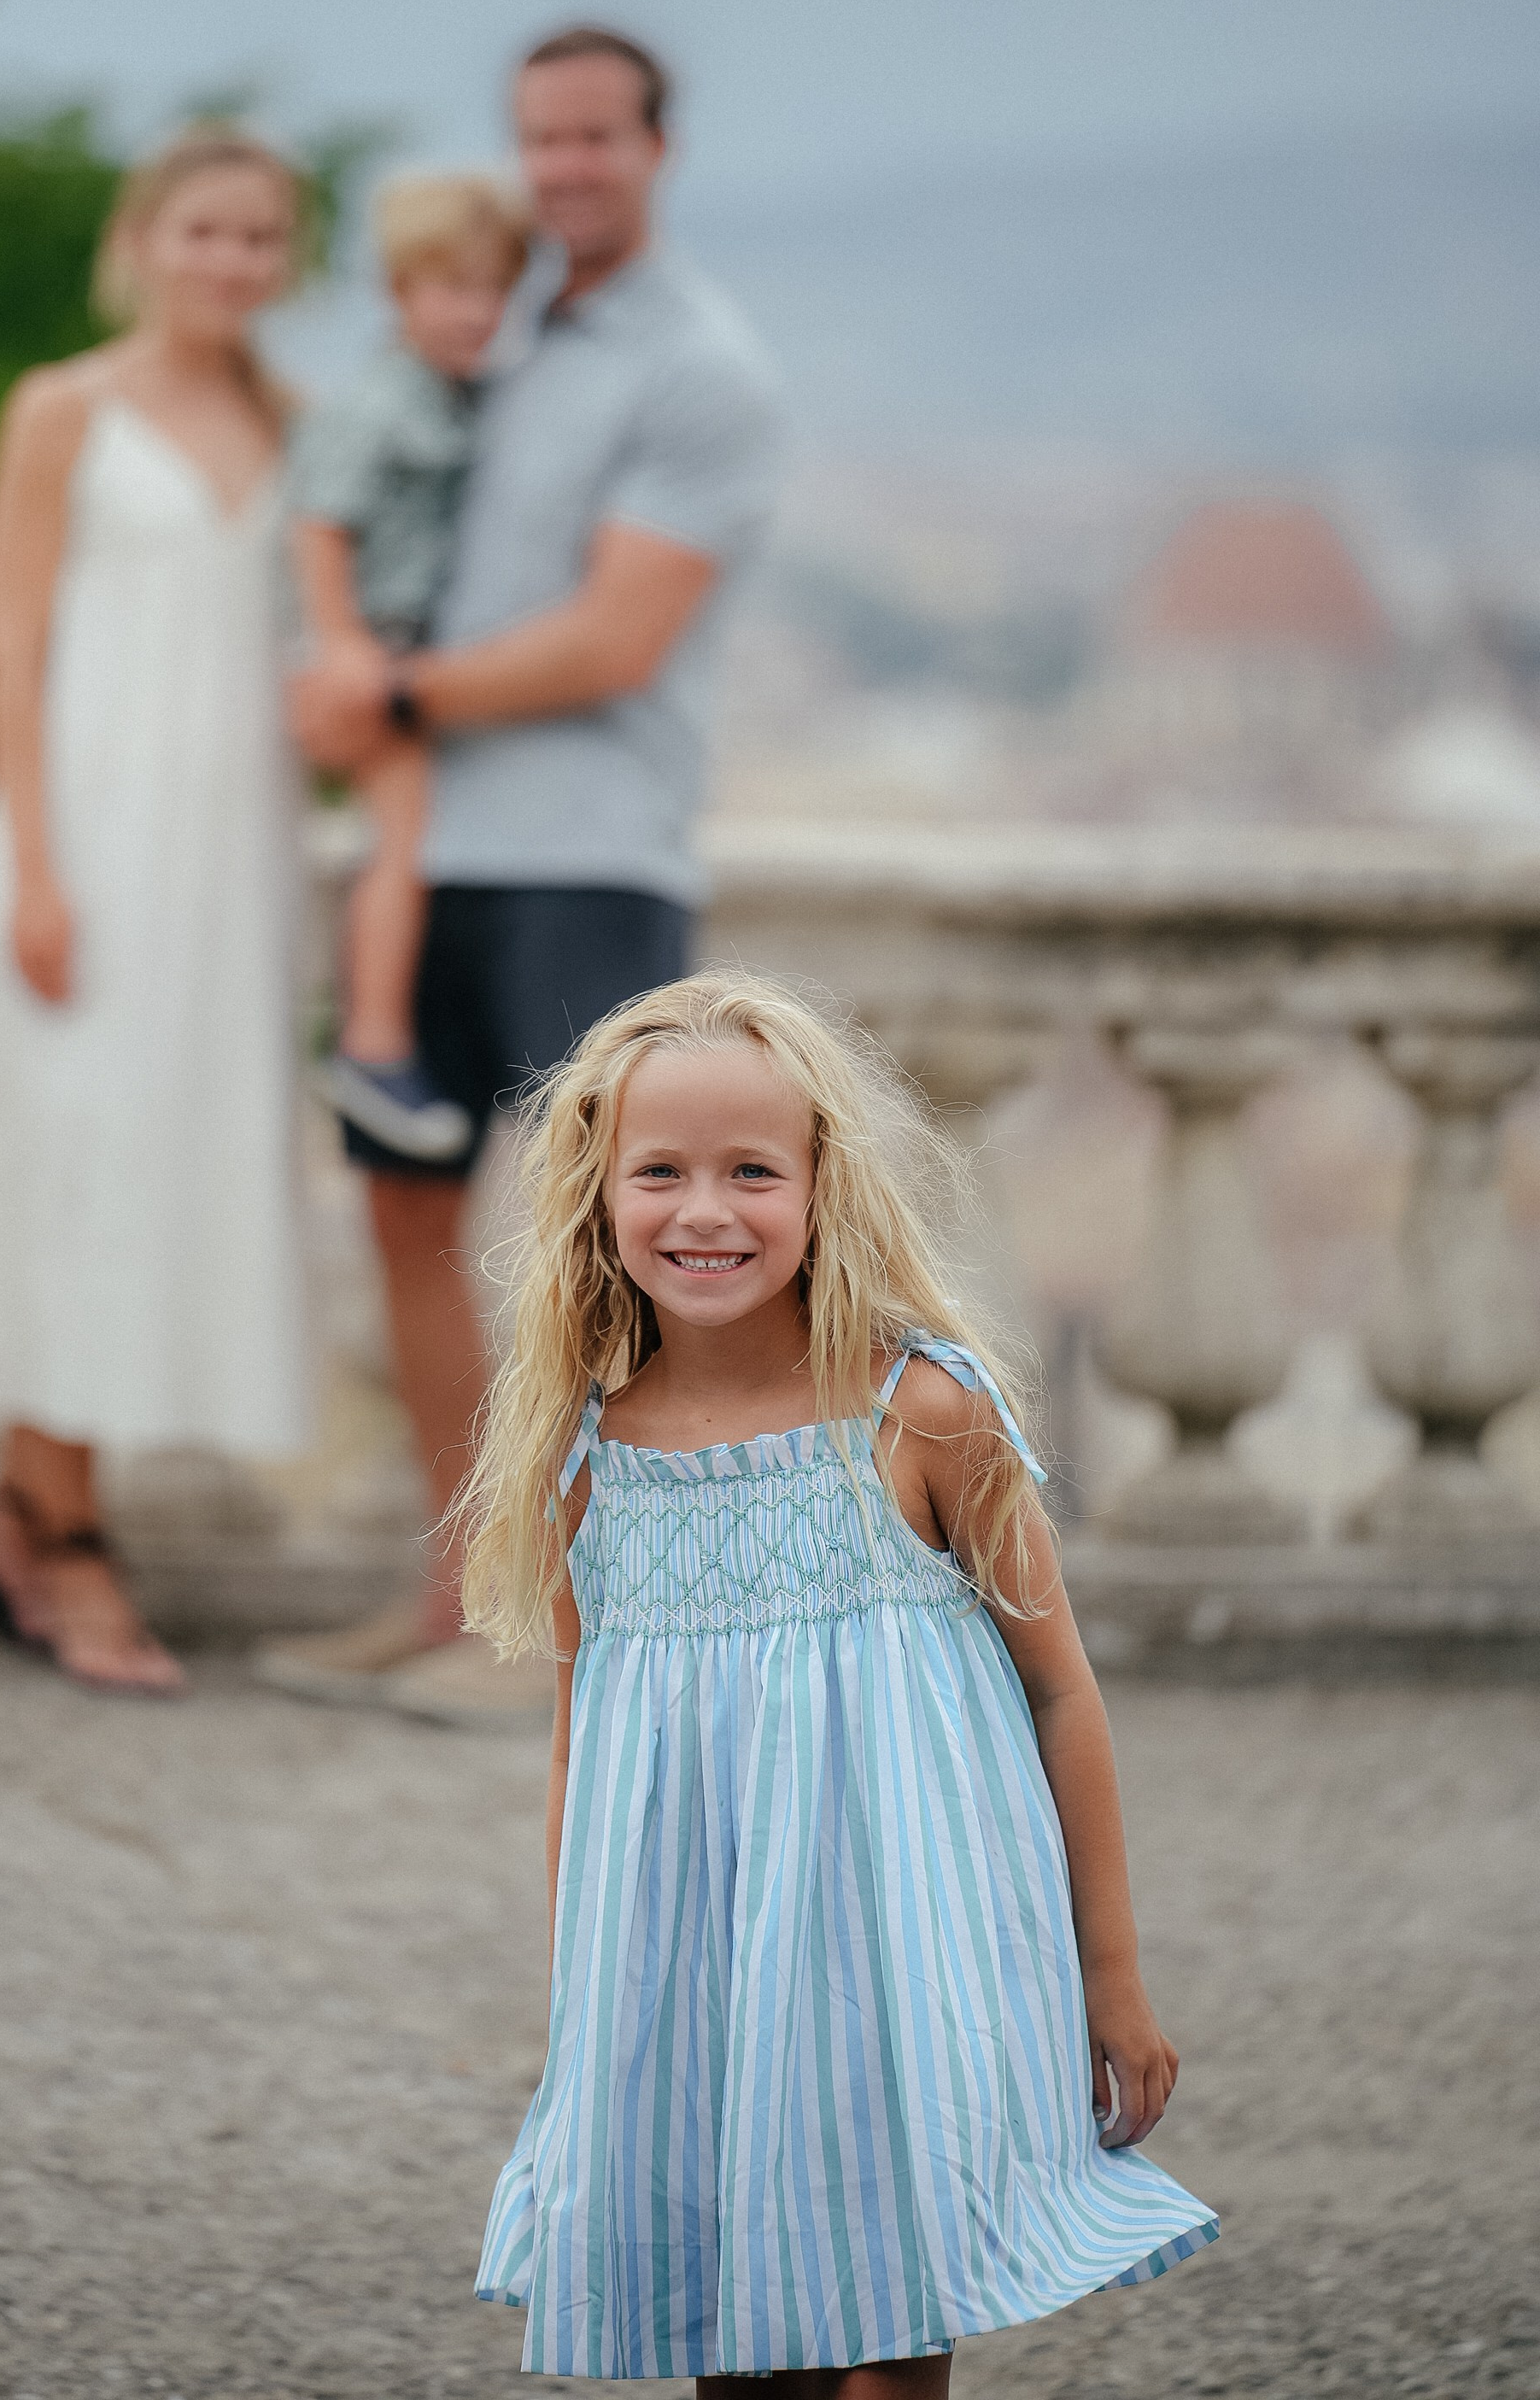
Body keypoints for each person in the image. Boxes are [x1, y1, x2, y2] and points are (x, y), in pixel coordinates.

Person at [461, 973, 1219, 2391]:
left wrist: (1105, 1977)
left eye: (752, 1169)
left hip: (897, 1964)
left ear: (823, 1184)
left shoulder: (921, 1414)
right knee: (723, 2322)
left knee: (884, 2327)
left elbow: (1059, 1690)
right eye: (660, 1172)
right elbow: (588, 1743)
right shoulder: (588, 1466)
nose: (705, 1210)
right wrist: (592, 2013)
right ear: (598, 1197)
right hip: (691, 1979)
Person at [269, 26, 788, 1722]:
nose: (564, 166)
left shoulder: (700, 367)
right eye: (537, 139)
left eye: (594, 137)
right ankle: (467, 1595)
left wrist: (388, 693)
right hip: (428, 857)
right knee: (404, 1212)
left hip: (588, 856)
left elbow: (619, 634)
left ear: (659, 143)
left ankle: (631, 1630)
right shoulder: (484, 333)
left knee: (627, 1247)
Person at [0, 127, 313, 1695]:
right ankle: (69, 1542)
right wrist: (37, 866)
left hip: (232, 863)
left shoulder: (294, 419)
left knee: (162, 1174)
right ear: (140, 238)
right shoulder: (61, 408)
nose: (231, 262)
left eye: (262, 239)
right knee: (68, 1165)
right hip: (85, 844)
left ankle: (14, 1513)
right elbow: (8, 648)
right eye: (204, 231)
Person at [290, 173, 532, 1164]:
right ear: (398, 291)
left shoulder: (458, 395)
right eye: (450, 288)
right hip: (375, 648)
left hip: (407, 646)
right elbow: (319, 525)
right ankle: (374, 1042)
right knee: (402, 842)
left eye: (491, 290)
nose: (475, 313)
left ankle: (376, 1039)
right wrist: (345, 644)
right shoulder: (376, 404)